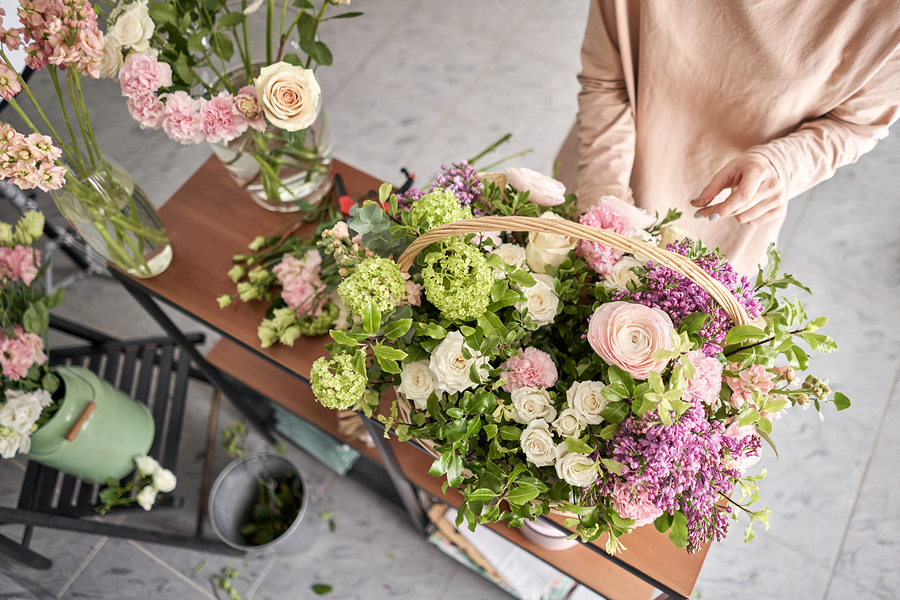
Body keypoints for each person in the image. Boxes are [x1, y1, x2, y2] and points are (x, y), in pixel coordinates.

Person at [555, 0, 900, 274]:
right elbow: (607, 81)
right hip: (601, 164)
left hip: (722, 226)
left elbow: (856, 125)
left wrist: (782, 163)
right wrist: (604, 208)